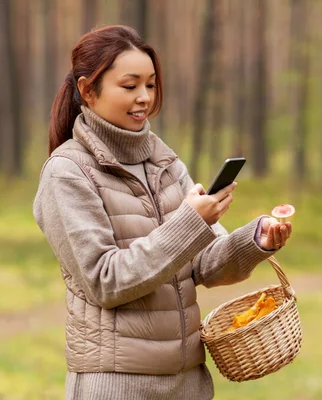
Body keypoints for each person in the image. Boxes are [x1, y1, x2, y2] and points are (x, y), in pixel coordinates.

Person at [33, 25, 293, 400]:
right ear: (88, 90)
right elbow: (105, 281)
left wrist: (255, 241)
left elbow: (201, 266)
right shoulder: (67, 172)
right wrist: (190, 222)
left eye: (151, 85)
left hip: (187, 379)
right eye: (130, 85)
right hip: (117, 383)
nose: (144, 98)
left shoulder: (164, 161)